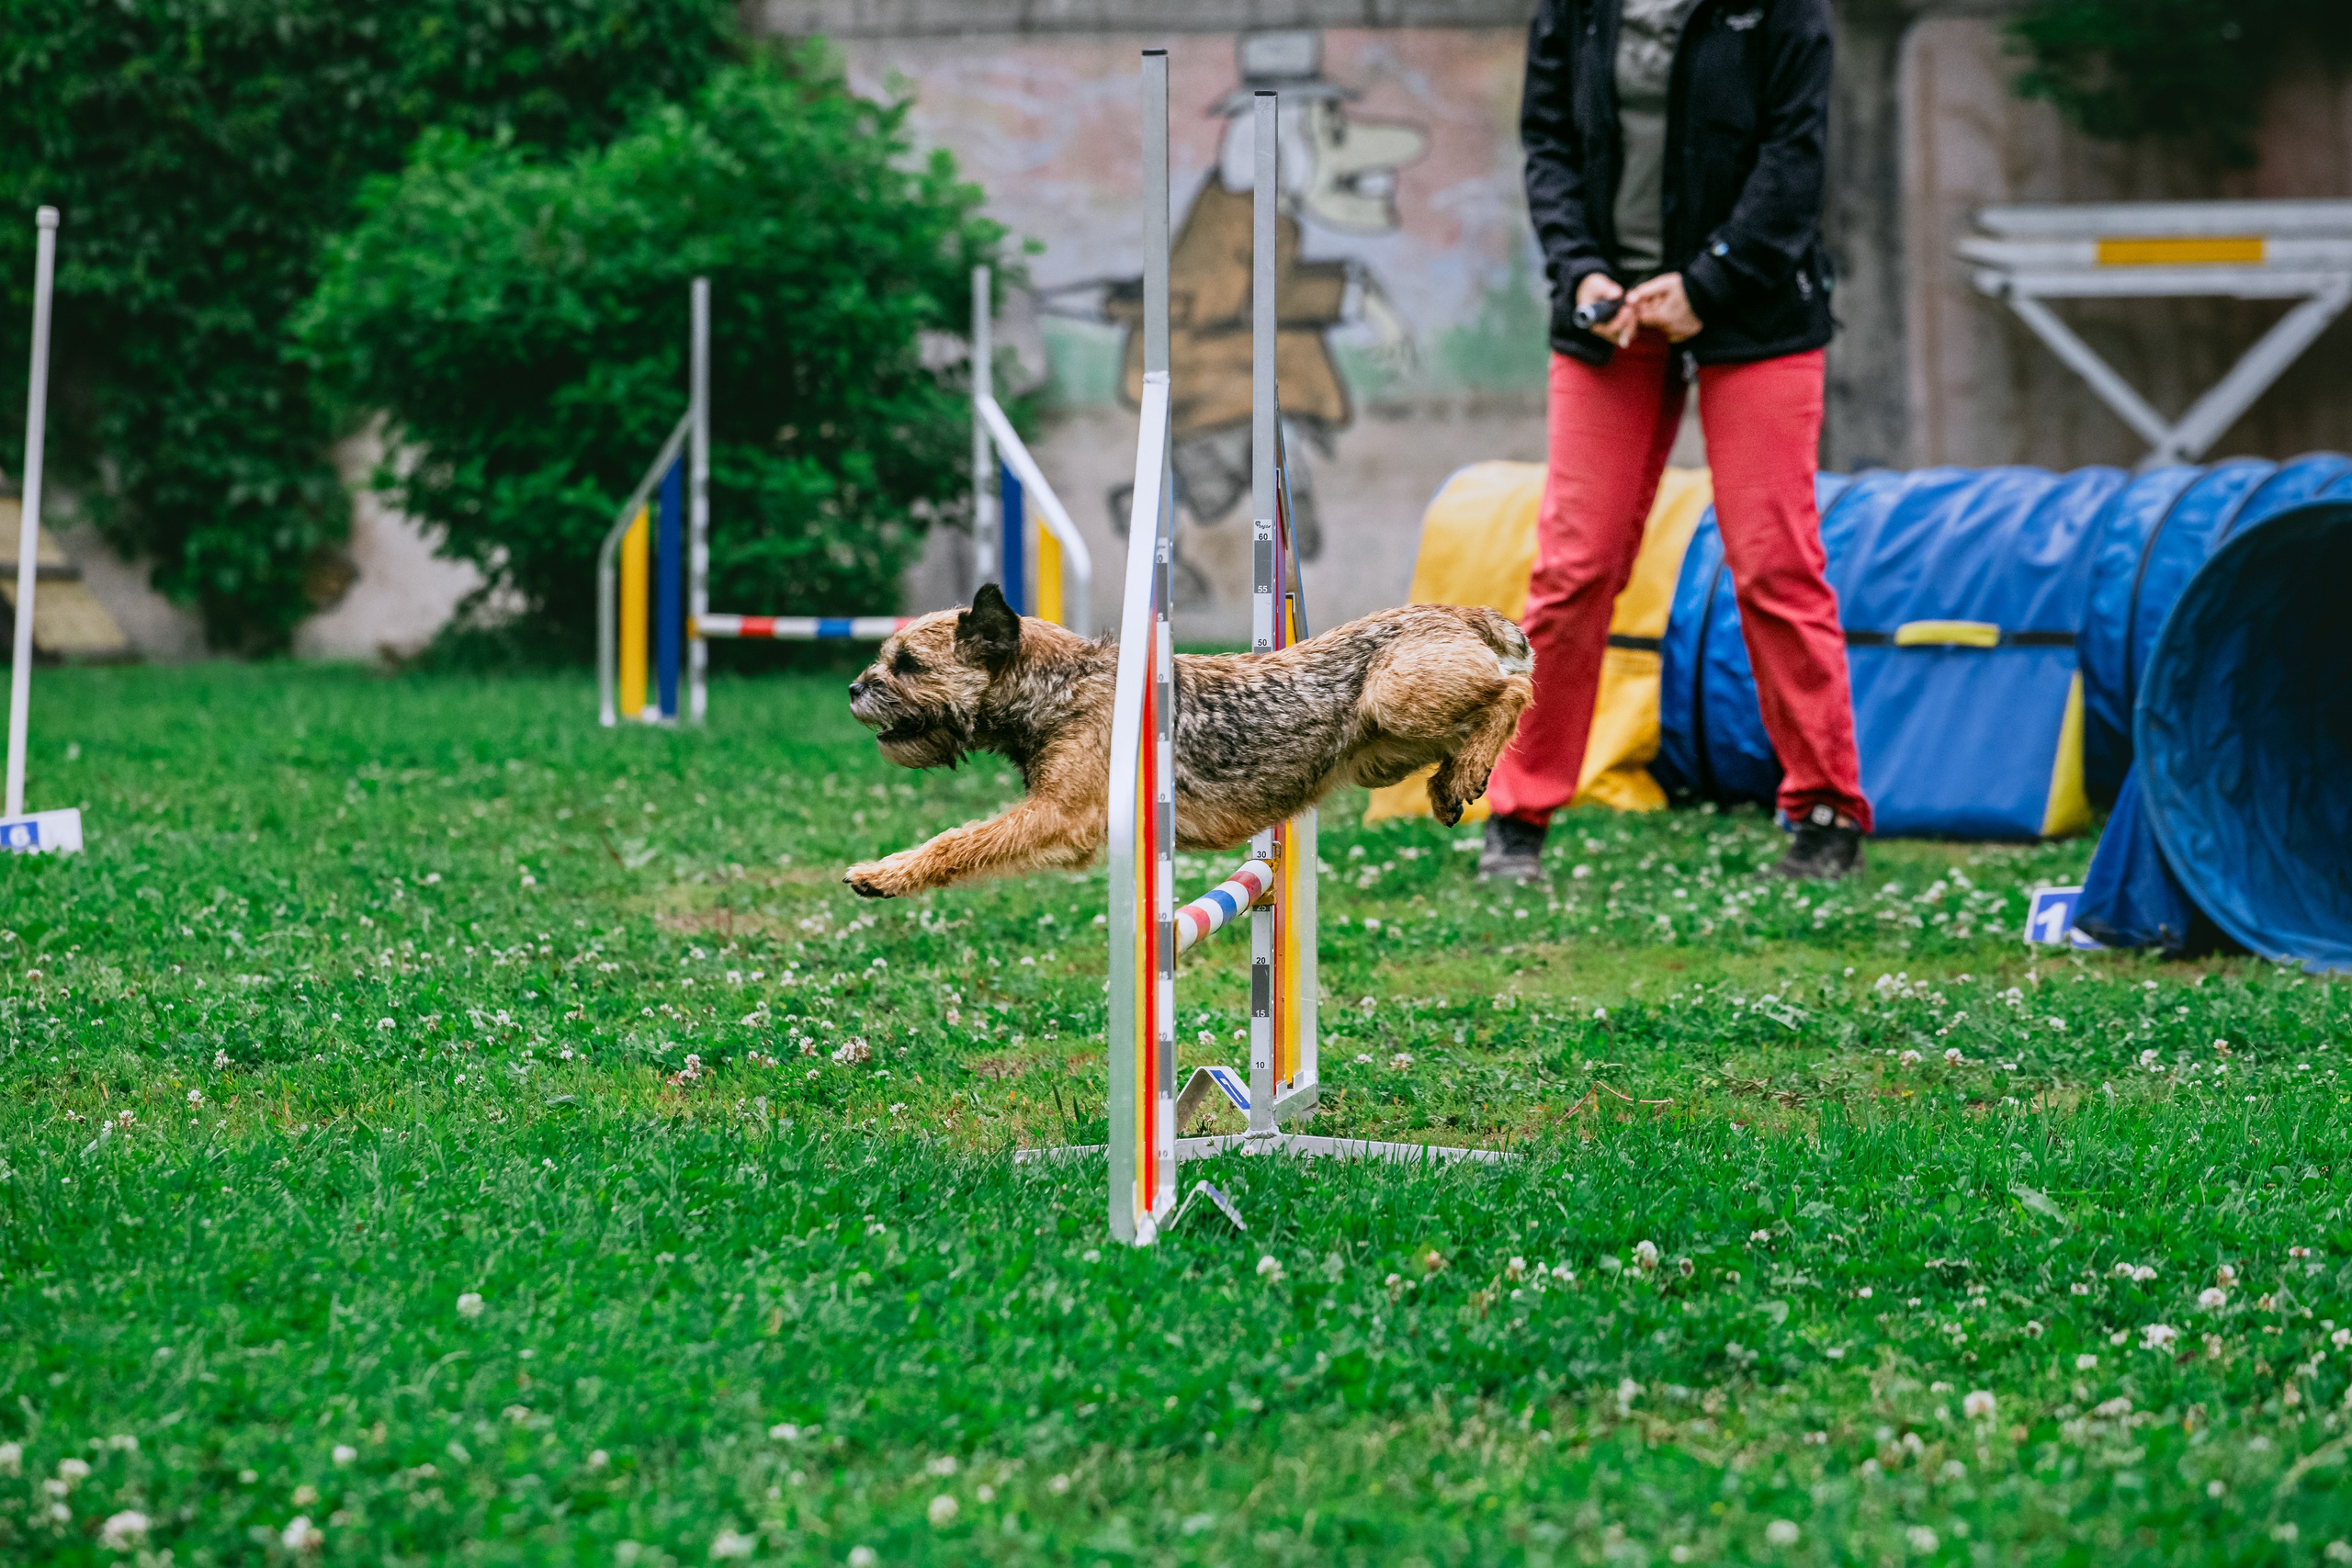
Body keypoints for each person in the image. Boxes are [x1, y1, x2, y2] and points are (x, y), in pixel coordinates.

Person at [1480, 0, 1871, 884]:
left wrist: (1709, 282)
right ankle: (1520, 815)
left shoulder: (1784, 13)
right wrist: (1580, 267)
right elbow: (1547, 145)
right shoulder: (1574, 11)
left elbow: (1794, 162)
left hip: (1755, 305)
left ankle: (1824, 809)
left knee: (1774, 564)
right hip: (1608, 316)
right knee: (1573, 570)